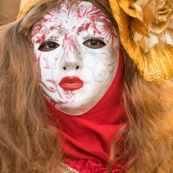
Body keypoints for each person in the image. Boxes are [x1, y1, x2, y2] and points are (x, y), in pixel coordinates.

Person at [1, 0, 173, 172]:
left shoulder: (166, 150)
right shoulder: (7, 157)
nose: (70, 60)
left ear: (125, 55)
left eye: (93, 42)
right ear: (24, 57)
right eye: (50, 44)